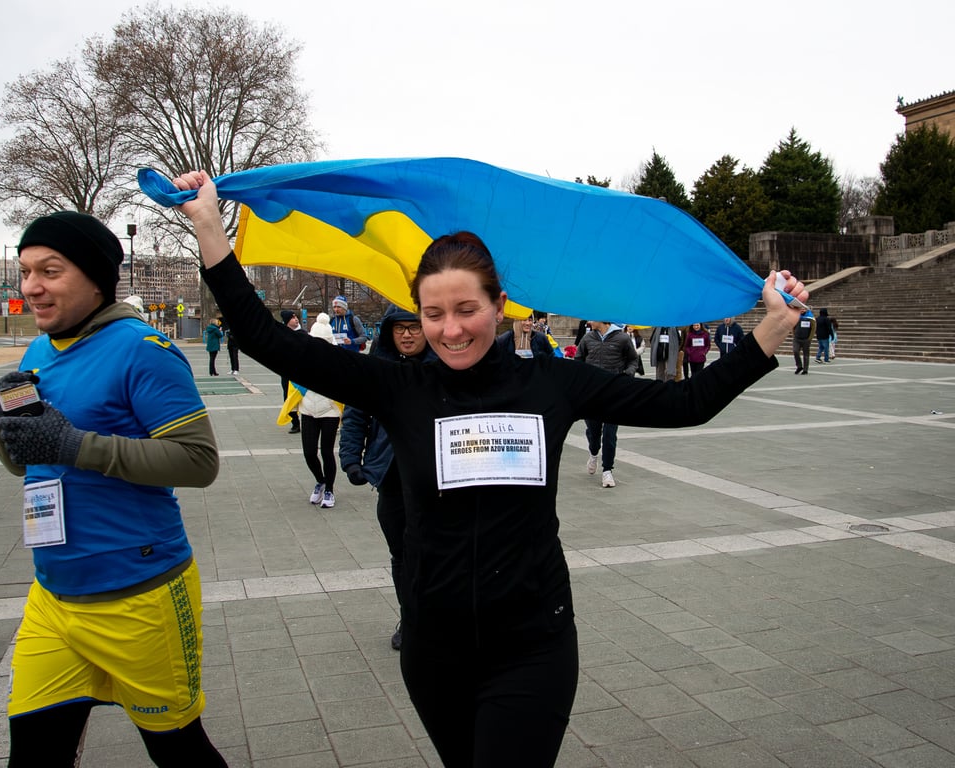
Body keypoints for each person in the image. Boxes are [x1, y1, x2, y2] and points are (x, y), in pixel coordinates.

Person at [175, 168, 807, 768]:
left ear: (500, 305)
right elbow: (265, 338)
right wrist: (208, 225)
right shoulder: (399, 388)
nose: (450, 330)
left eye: (466, 309)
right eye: (433, 314)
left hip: (532, 644)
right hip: (434, 648)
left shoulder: (550, 382)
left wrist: (773, 327)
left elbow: (686, 403)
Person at [0, 210, 226, 768]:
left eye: (50, 271)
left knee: (179, 753)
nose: (32, 287)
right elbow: (24, 464)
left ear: (96, 279)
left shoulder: (142, 349)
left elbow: (199, 461)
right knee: (33, 758)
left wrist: (74, 446)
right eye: (26, 272)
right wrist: (2, 429)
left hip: (139, 596)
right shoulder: (38, 351)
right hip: (54, 596)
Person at [339, 304, 436, 651]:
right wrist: (351, 459)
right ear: (389, 333)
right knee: (402, 554)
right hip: (392, 478)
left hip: (436, 482)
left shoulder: (444, 369)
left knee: (437, 553)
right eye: (400, 329)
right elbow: (355, 415)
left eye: (414, 327)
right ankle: (411, 618)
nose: (407, 335)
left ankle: (437, 618)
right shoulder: (376, 369)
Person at [574, 321, 638, 488]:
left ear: (602, 320)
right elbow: (578, 359)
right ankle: (593, 453)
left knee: (610, 434)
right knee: (593, 432)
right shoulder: (587, 338)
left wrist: (627, 375)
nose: (589, 322)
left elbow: (633, 360)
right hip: (592, 394)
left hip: (613, 394)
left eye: (592, 318)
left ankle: (607, 470)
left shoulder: (622, 338)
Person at [298, 313, 342, 508]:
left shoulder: (337, 359)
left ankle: (330, 490)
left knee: (326, 451)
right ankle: (320, 481)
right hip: (308, 409)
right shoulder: (303, 356)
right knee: (309, 452)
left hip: (330, 411)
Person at [280, 309, 304, 433]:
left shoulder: (302, 333)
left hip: (301, 371)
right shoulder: (282, 334)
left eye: (296, 317)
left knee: (304, 396)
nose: (296, 319)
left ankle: (308, 421)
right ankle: (295, 422)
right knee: (288, 397)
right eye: (292, 318)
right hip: (287, 371)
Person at [793, 307, 816, 374]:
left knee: (806, 355)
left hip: (806, 339)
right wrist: (794, 334)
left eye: (804, 309)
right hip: (797, 338)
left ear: (806, 310)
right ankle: (799, 366)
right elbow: (793, 326)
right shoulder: (797, 316)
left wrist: (810, 338)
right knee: (795, 351)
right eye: (801, 309)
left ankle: (805, 370)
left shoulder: (810, 318)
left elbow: (813, 328)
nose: (802, 310)